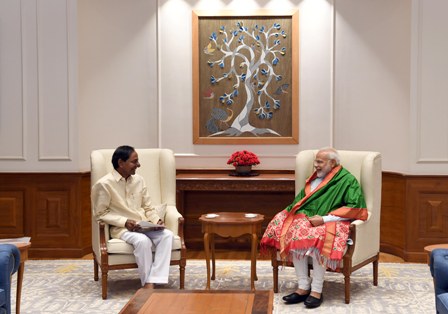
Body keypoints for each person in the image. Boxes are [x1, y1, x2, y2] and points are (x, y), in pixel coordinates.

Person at [260, 148, 368, 308]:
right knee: (295, 231)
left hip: (332, 221)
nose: (315, 165)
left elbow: (356, 208)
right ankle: (303, 286)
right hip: (308, 217)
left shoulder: (347, 180)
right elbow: (300, 203)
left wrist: (324, 219)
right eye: (315, 161)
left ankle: (316, 290)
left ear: (332, 163)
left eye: (319, 162)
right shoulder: (314, 178)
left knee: (317, 237)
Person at [91, 145, 173, 287]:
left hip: (144, 225)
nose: (138, 165)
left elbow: (148, 207)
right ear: (121, 163)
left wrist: (156, 220)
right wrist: (124, 222)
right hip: (122, 229)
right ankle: (148, 284)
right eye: (134, 162)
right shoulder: (104, 184)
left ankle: (156, 278)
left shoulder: (139, 180)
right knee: (142, 241)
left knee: (167, 235)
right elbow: (100, 213)